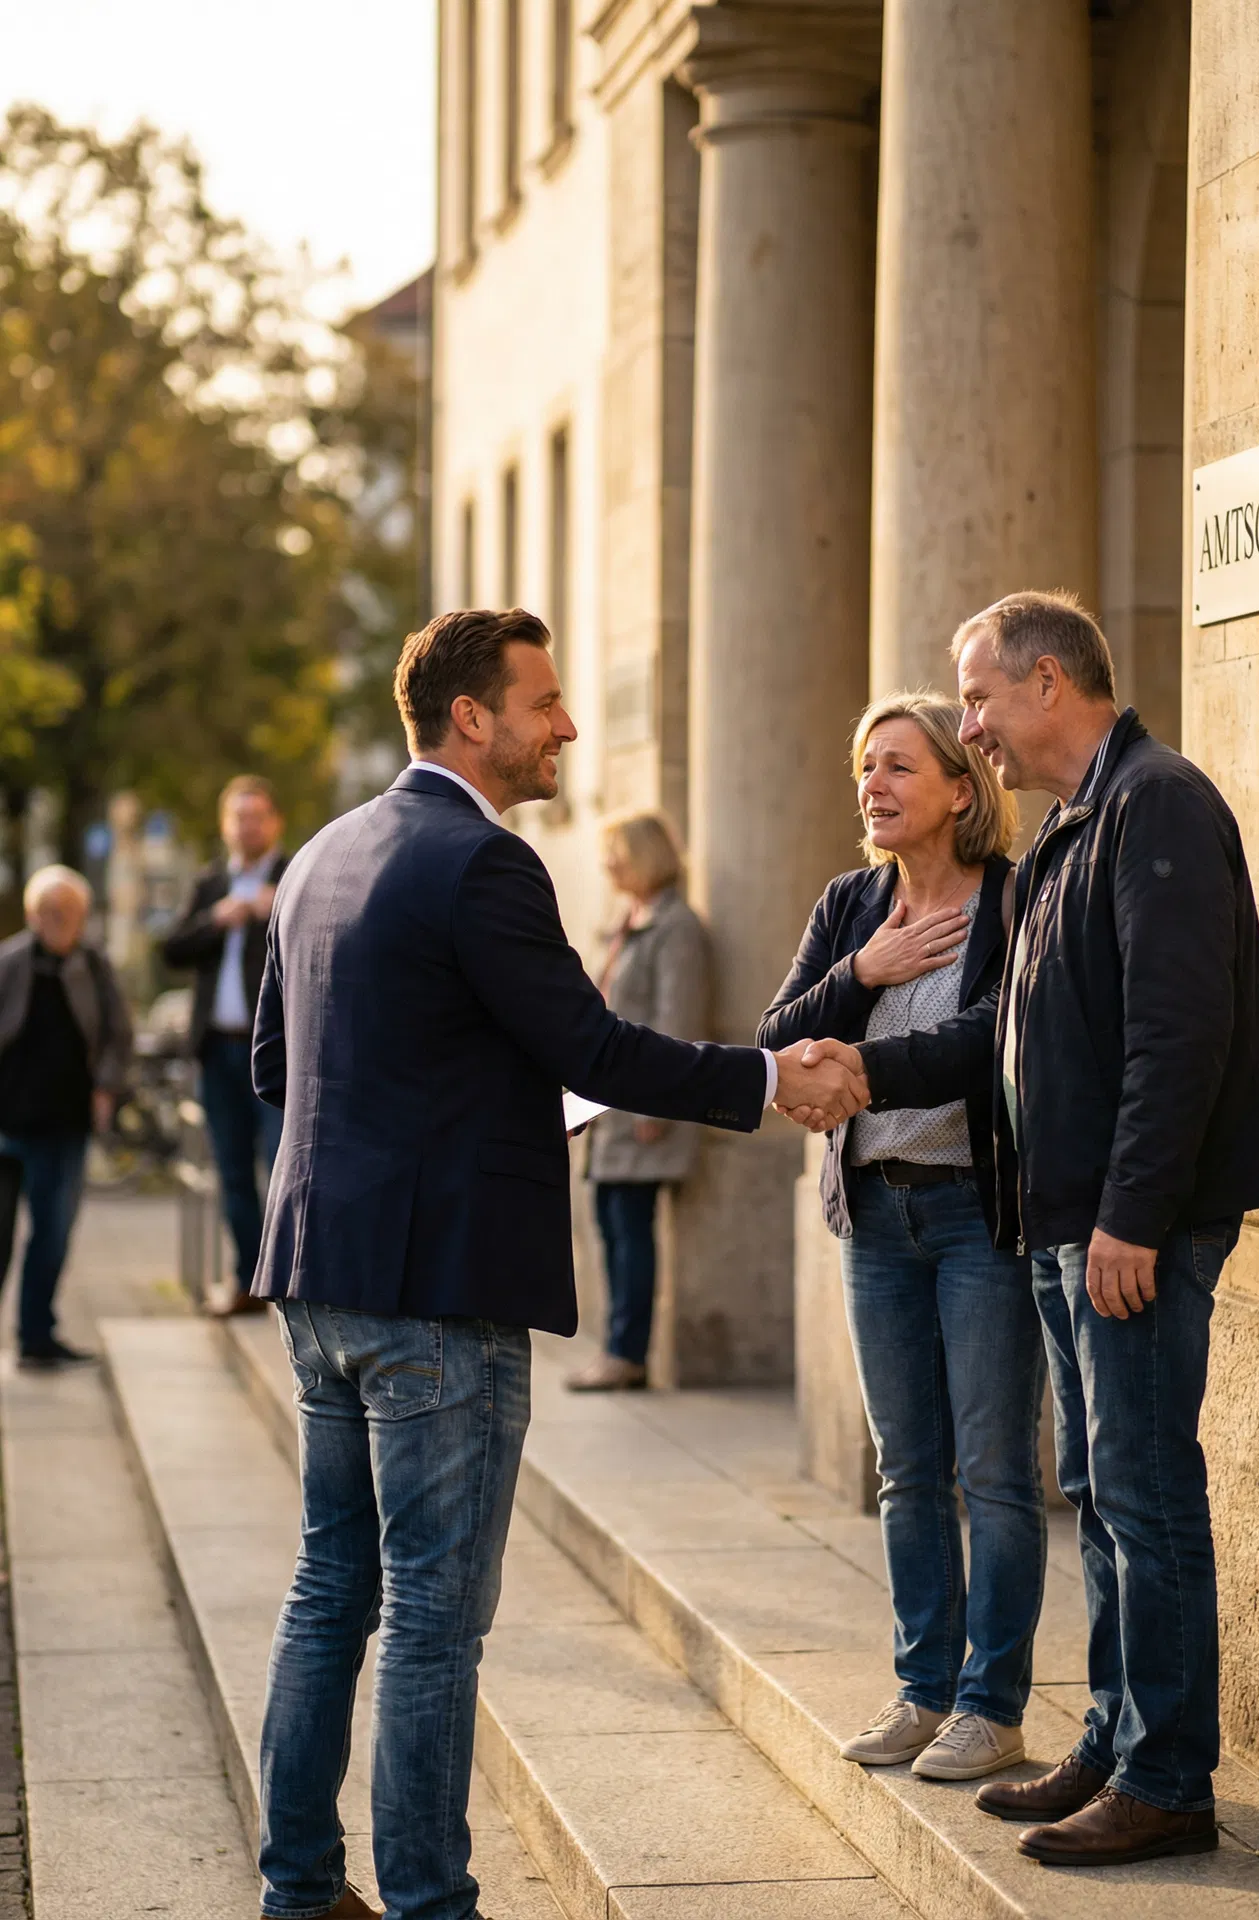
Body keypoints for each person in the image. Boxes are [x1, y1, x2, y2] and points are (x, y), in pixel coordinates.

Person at [249, 606, 865, 1920]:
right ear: (472, 717)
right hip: (439, 1299)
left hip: (318, 1275)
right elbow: (591, 1049)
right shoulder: (484, 863)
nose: (566, 726)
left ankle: (299, 1891)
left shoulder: (318, 856)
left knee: (328, 1588)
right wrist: (766, 1076)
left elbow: (273, 1071)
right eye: (543, 702)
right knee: (429, 1615)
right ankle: (428, 1905)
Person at [799, 591, 1259, 1868]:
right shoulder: (1084, 821)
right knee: (1099, 1490)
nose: (971, 727)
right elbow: (1006, 1045)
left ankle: (1169, 1778)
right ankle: (1117, 1737)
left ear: (1048, 684)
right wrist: (859, 1069)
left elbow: (1180, 1036)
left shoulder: (1158, 802)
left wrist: (1132, 1215)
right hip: (1067, 1223)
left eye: (977, 699)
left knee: (1144, 1492)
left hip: (1136, 1227)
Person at [760, 692, 1045, 1784]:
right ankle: (926, 1690)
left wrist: (862, 1066)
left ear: (961, 793)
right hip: (874, 1212)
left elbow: (991, 1045)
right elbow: (777, 1037)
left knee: (994, 1468)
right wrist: (863, 976)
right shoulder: (849, 905)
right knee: (909, 1468)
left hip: (979, 1212)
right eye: (864, 767)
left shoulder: (1013, 903)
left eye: (898, 767)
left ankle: (993, 1705)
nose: (872, 785)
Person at [569, 811, 712, 1392]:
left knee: (629, 1232)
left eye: (618, 854)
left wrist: (658, 1105)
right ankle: (617, 1348)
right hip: (609, 1107)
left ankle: (627, 1354)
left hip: (643, 1108)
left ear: (647, 855)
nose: (608, 866)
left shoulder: (678, 928)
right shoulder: (627, 919)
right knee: (610, 1225)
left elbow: (679, 1019)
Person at [162, 774, 289, 1317]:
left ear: (275, 823)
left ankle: (289, 1282)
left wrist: (277, 906)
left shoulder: (293, 874)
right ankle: (248, 1280)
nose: (249, 826)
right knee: (233, 1173)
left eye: (258, 816)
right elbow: (170, 949)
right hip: (217, 1051)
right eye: (240, 817)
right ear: (225, 825)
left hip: (277, 1052)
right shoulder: (211, 883)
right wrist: (216, 920)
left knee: (282, 1166)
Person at [0, 866, 132, 1367]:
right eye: (50, 911)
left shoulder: (95, 967)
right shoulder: (9, 962)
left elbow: (119, 1036)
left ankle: (36, 1337)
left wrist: (107, 1087)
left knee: (51, 1236)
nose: (61, 920)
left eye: (71, 912)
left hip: (64, 1125)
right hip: (6, 1123)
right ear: (33, 914)